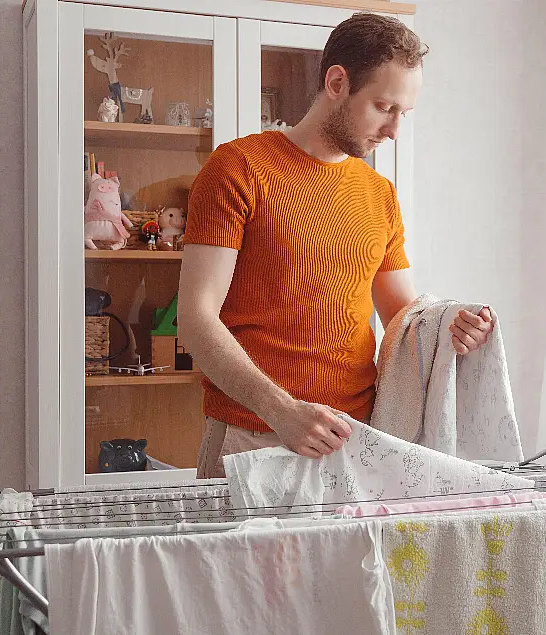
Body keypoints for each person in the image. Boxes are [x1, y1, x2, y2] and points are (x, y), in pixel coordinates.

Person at [179, 12, 496, 478]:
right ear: (337, 82)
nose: (394, 130)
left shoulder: (378, 193)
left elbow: (403, 319)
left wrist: (453, 326)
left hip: (356, 441)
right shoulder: (239, 168)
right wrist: (282, 411)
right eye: (384, 107)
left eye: (403, 113)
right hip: (253, 436)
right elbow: (195, 319)